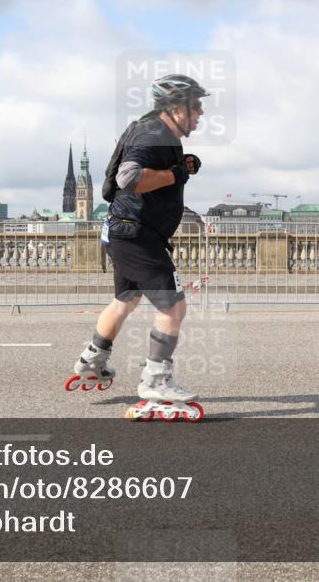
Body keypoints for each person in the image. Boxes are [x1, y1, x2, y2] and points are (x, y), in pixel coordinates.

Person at [65, 74, 207, 420]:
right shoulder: (153, 134)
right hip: (137, 235)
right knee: (174, 307)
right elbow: (128, 177)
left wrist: (181, 166)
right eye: (195, 106)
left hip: (123, 231)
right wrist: (176, 174)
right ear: (176, 109)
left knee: (125, 300)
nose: (200, 113)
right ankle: (156, 381)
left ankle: (92, 361)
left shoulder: (153, 131)